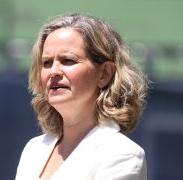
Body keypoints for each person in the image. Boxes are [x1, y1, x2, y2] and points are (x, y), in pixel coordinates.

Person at [15, 13, 149, 180]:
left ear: (105, 74)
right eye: (47, 63)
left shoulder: (123, 154)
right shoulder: (34, 149)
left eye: (68, 60)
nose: (54, 72)